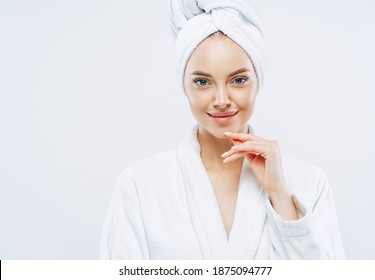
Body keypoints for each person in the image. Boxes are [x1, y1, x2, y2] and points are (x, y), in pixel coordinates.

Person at [99, 0, 345, 259]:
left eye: (238, 80)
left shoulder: (309, 182)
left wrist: (280, 195)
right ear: (185, 85)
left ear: (257, 80)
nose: (221, 99)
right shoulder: (140, 185)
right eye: (202, 82)